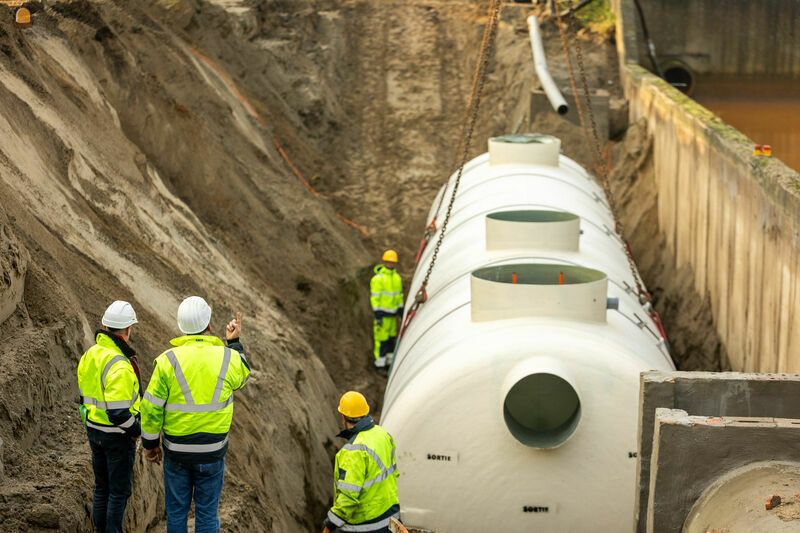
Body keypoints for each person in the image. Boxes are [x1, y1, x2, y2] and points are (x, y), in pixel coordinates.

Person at [140, 296, 250, 533]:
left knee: (177, 513)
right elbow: (242, 376)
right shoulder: (226, 357)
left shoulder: (167, 361)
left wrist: (150, 444)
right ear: (209, 325)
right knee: (207, 515)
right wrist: (235, 343)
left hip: (177, 450)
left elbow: (150, 408)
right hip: (212, 452)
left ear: (181, 327)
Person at [77, 300, 143, 533]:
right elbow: (117, 412)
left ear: (104, 327)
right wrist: (136, 431)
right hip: (117, 437)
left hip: (94, 431)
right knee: (118, 492)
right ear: (127, 330)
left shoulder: (90, 354)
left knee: (102, 488)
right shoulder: (121, 365)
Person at [322, 391, 400, 533]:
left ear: (344, 417)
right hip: (391, 519)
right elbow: (394, 473)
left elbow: (348, 498)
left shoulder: (353, 452)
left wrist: (329, 525)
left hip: (365, 526)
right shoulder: (383, 434)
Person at [370, 250, 404, 369]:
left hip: (392, 316)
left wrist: (401, 310)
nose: (390, 264)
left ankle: (389, 363)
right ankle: (379, 365)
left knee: (390, 340)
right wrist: (377, 314)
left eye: (392, 262)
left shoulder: (396, 278)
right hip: (383, 317)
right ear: (384, 261)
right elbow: (375, 298)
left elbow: (399, 295)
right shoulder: (378, 279)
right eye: (388, 262)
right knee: (382, 341)